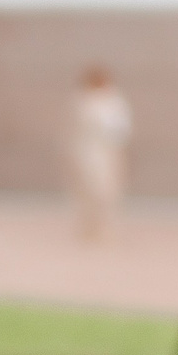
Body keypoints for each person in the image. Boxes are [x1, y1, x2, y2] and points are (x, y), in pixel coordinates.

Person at [71, 65, 133, 239]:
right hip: (88, 153)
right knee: (87, 191)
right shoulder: (82, 100)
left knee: (107, 192)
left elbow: (120, 129)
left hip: (108, 154)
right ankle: (88, 229)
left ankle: (106, 229)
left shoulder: (114, 101)